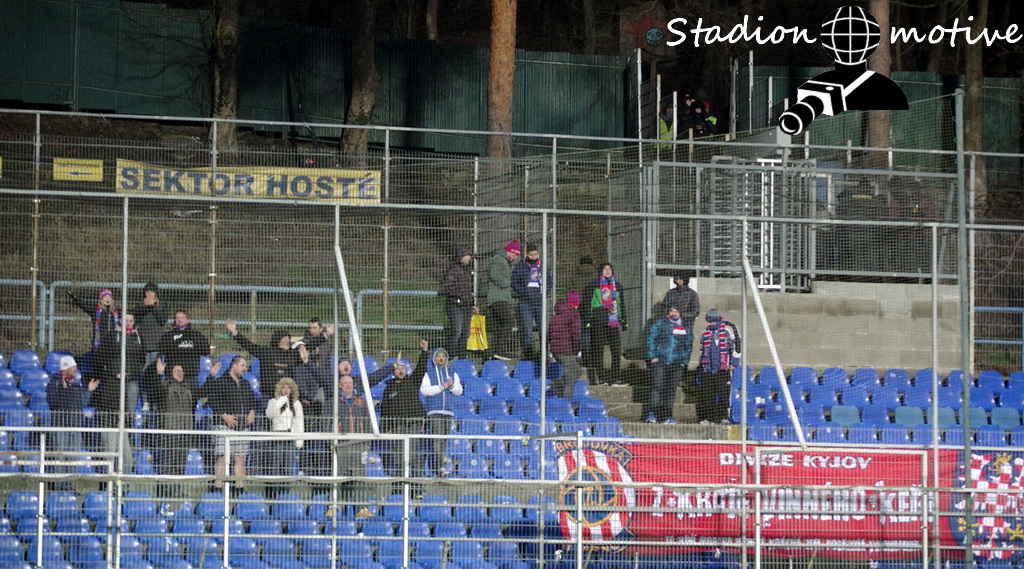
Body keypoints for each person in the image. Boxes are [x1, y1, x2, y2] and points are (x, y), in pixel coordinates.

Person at [146, 357, 218, 503]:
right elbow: (155, 393)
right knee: (168, 461)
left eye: (181, 371)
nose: (180, 373)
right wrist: (159, 374)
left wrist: (210, 376)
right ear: (170, 373)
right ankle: (165, 489)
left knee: (180, 461)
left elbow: (203, 392)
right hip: (168, 431)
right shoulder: (164, 386)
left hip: (185, 432)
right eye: (176, 371)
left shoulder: (189, 388)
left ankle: (177, 488)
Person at [92, 312, 146, 474]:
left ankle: (127, 425)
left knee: (131, 399)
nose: (128, 322)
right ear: (120, 320)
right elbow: (101, 356)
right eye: (126, 320)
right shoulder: (111, 336)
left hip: (131, 378)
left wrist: (129, 373)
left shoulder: (137, 337)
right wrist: (114, 372)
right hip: (114, 380)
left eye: (131, 320)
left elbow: (141, 361)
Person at [203, 355, 257, 495]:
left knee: (241, 458)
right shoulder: (220, 382)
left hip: (242, 427)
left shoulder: (245, 384)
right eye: (242, 365)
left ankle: (239, 488)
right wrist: (224, 415)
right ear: (234, 365)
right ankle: (217, 487)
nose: (245, 369)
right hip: (223, 426)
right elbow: (212, 400)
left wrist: (252, 412)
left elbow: (252, 401)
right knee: (222, 457)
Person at [46, 356, 99, 490]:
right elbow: (53, 403)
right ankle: (58, 486)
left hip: (75, 426)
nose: (76, 369)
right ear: (66, 368)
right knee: (60, 456)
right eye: (73, 366)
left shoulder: (77, 385)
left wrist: (88, 391)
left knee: (73, 456)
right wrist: (64, 390)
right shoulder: (54, 383)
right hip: (60, 426)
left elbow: (82, 403)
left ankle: (68, 486)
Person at [380, 340, 428, 479]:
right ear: (393, 371)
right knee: (399, 458)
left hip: (413, 425)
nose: (401, 370)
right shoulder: (388, 388)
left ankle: (416, 486)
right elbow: (384, 410)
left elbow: (421, 368)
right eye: (398, 368)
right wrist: (386, 427)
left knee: (414, 456)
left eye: (403, 368)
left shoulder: (413, 382)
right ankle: (399, 485)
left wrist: (424, 351)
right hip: (397, 427)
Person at [419, 343, 463, 477]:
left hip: (448, 411)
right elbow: (425, 390)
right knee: (437, 439)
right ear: (434, 358)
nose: (441, 358)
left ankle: (440, 466)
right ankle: (439, 467)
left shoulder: (452, 374)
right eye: (438, 356)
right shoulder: (428, 373)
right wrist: (443, 386)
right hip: (434, 411)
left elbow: (459, 391)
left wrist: (450, 386)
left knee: (444, 440)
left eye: (443, 356)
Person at [225, 320, 298, 397]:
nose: (288, 340)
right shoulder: (266, 352)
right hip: (268, 396)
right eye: (286, 338)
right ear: (278, 339)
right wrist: (235, 332)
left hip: (287, 397)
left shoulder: (292, 354)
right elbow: (249, 345)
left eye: (289, 338)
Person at [646, 305, 693, 424]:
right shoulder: (660, 323)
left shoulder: (686, 326)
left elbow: (688, 344)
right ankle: (652, 414)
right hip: (661, 361)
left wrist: (684, 361)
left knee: (671, 389)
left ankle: (667, 416)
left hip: (677, 363)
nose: (674, 313)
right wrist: (653, 357)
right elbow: (651, 338)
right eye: (671, 311)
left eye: (676, 311)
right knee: (657, 387)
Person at [585, 263, 627, 385]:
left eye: (610, 269)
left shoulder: (618, 286)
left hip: (613, 320)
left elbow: (621, 304)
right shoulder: (593, 285)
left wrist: (623, 320)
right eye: (605, 269)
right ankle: (600, 377)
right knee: (598, 349)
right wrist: (588, 320)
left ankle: (615, 377)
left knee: (616, 350)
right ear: (600, 271)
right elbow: (588, 303)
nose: (608, 271)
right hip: (598, 320)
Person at [698, 309, 741, 424]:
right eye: (708, 321)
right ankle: (708, 418)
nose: (710, 323)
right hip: (708, 368)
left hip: (724, 368)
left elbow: (737, 346)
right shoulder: (706, 331)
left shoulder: (728, 329)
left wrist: (734, 363)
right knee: (707, 394)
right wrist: (702, 364)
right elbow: (702, 349)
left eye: (711, 321)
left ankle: (723, 417)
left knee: (723, 392)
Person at [265, 377, 304, 499]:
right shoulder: (273, 401)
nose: (286, 390)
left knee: (288, 467)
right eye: (283, 387)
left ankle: (286, 495)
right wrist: (282, 400)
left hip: (289, 437)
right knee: (275, 467)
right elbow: (269, 414)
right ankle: (273, 495)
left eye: (288, 388)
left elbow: (299, 422)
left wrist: (299, 442)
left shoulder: (296, 404)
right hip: (276, 437)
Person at [511, 243, 552, 362]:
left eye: (536, 254)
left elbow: (549, 281)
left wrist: (544, 292)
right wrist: (524, 292)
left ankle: (545, 355)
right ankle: (528, 356)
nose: (534, 257)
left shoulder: (542, 265)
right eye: (531, 254)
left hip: (539, 303)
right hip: (526, 303)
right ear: (527, 254)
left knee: (543, 330)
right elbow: (514, 282)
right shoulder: (521, 266)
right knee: (527, 330)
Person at [335, 374, 371, 502]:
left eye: (350, 382)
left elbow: (368, 422)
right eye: (345, 383)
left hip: (359, 445)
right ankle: (334, 505)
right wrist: (332, 442)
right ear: (340, 385)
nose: (348, 385)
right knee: (337, 476)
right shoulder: (334, 402)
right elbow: (327, 422)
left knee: (360, 477)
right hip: (341, 445)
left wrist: (367, 443)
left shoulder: (361, 402)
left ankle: (362, 506)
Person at [484, 239, 521, 361]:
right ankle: (500, 350)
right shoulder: (499, 260)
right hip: (498, 298)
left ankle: (495, 352)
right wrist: (507, 283)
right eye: (515, 254)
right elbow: (494, 275)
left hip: (501, 297)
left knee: (499, 325)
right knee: (509, 321)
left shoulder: (503, 261)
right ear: (510, 251)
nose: (515, 257)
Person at [158, 309, 209, 395]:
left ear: (187, 320)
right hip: (172, 375)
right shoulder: (167, 335)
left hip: (190, 375)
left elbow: (205, 350)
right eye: (177, 318)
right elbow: (163, 350)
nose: (180, 320)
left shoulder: (196, 335)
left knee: (191, 400)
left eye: (182, 317)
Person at [68, 288, 121, 370]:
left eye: (109, 297)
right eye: (105, 297)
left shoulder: (117, 312)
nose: (107, 299)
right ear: (101, 299)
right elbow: (83, 305)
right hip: (99, 347)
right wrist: (74, 297)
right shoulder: (95, 311)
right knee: (98, 370)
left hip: (113, 347)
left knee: (111, 370)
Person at [443, 247, 476, 360]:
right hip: (455, 305)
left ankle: (462, 356)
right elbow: (449, 287)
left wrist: (472, 303)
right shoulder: (453, 270)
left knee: (465, 333)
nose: (469, 258)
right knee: (457, 331)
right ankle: (451, 355)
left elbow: (468, 290)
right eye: (467, 256)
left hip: (466, 306)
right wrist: (460, 297)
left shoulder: (467, 271)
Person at [549, 290, 583, 400]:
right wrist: (576, 351)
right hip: (566, 350)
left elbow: (549, 333)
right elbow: (576, 334)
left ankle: (557, 383)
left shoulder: (556, 316)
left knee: (577, 370)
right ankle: (567, 402)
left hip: (556, 350)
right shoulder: (574, 315)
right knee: (571, 376)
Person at [131, 282, 169, 376]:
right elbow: (136, 319)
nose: (149, 294)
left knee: (155, 371)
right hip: (143, 344)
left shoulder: (162, 305)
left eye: (151, 291)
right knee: (143, 371)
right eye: (147, 292)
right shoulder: (140, 305)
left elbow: (162, 321)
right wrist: (146, 307)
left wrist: (153, 307)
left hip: (156, 344)